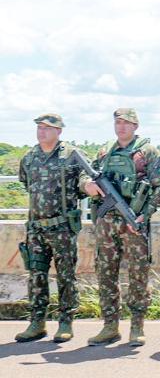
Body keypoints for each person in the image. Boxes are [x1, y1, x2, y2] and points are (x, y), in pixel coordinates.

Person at [82, 108, 160, 346]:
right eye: (118, 122)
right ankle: (110, 326)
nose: (121, 127)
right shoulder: (105, 151)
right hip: (106, 222)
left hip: (133, 222)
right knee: (105, 272)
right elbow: (86, 175)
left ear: (135, 126)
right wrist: (87, 184)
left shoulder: (147, 151)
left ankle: (137, 326)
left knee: (138, 273)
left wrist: (144, 215)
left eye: (126, 123)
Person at [15, 113, 84, 343]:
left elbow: (85, 183)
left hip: (62, 228)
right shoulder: (29, 157)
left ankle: (65, 322)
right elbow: (27, 183)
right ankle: (37, 322)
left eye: (47, 128)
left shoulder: (72, 155)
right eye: (39, 127)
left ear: (59, 131)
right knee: (36, 276)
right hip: (36, 229)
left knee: (66, 276)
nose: (41, 131)